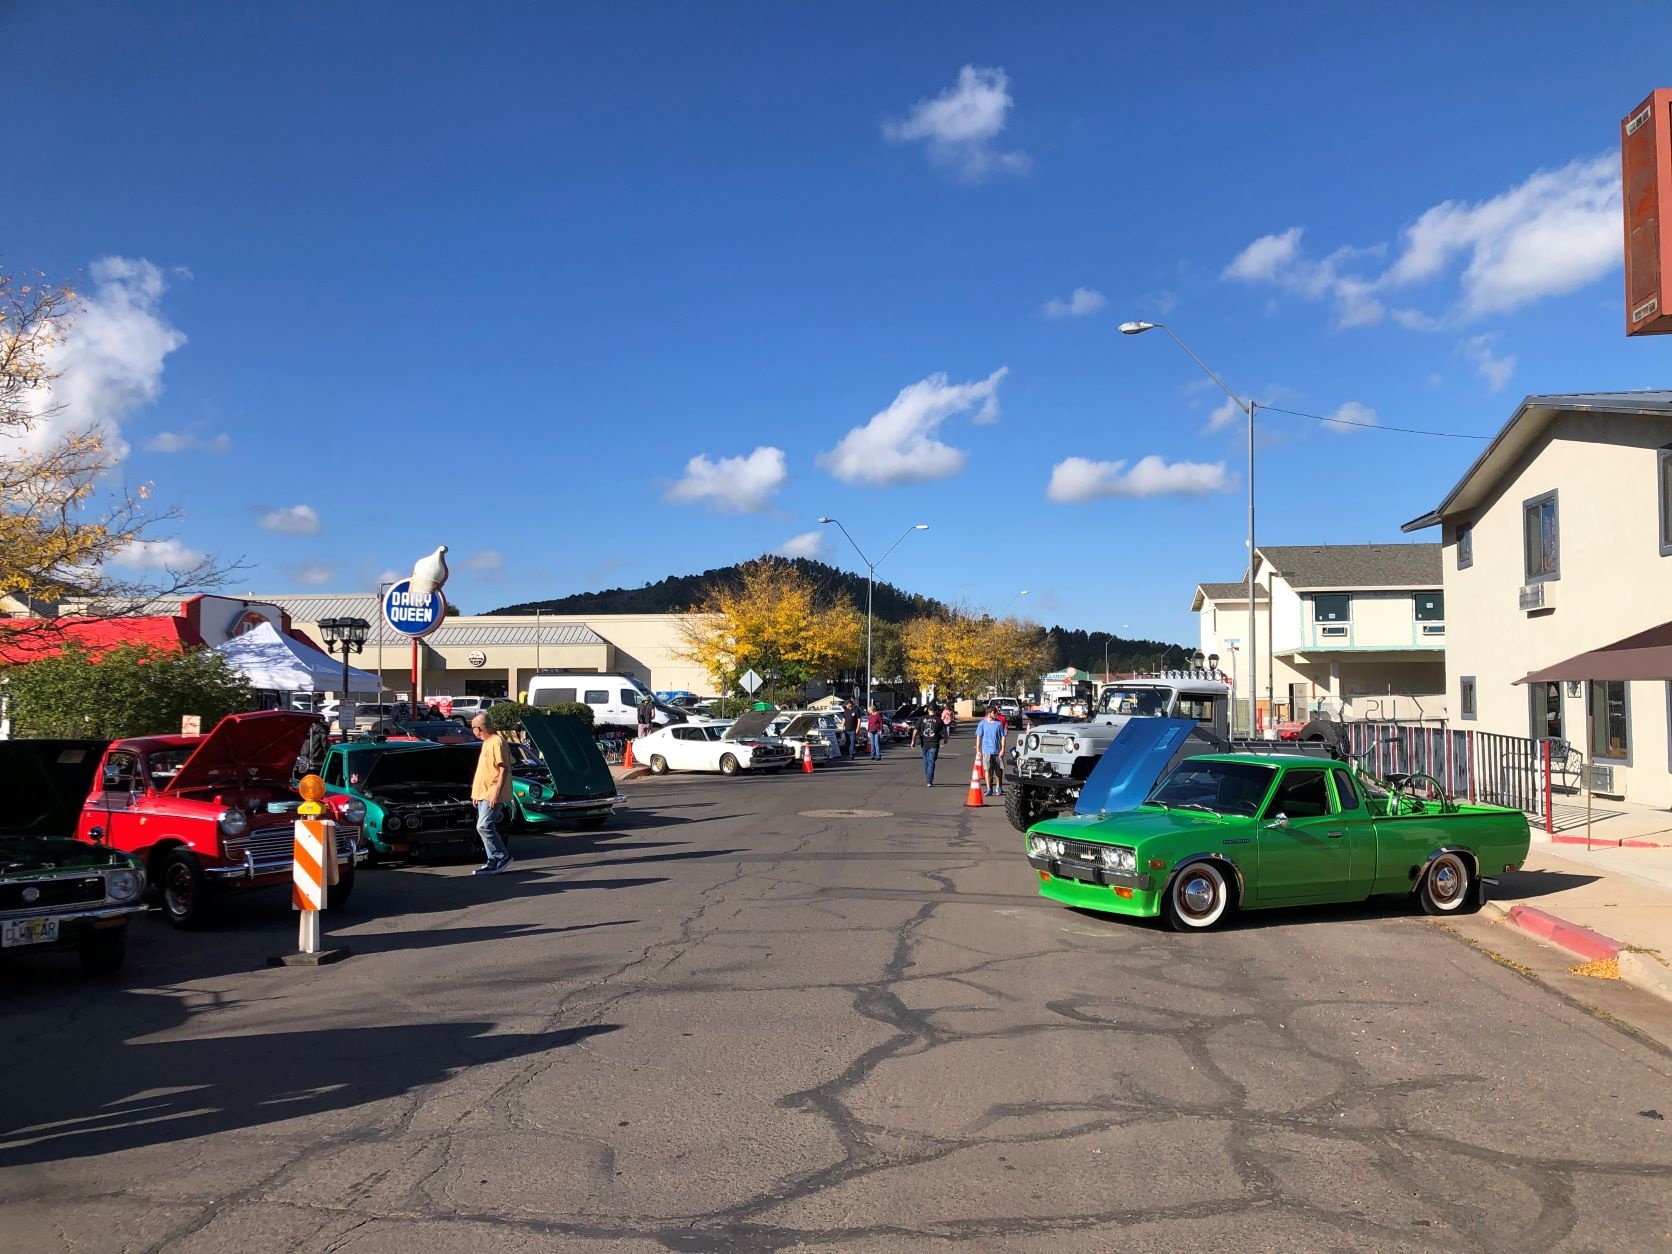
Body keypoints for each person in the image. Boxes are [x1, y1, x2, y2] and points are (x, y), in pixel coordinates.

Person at [469, 713, 514, 875]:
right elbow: (484, 771)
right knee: (483, 826)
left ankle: (502, 856)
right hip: (482, 793)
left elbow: (504, 768)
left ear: (479, 728)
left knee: (484, 825)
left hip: (492, 792)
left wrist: (496, 792)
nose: (472, 731)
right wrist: (476, 793)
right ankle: (493, 860)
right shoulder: (486, 743)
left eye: (472, 728)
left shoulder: (497, 742)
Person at [976, 706, 1007, 796]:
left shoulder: (999, 724)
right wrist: (978, 749)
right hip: (986, 751)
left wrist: (1002, 749)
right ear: (989, 713)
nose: (995, 714)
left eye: (996, 712)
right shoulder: (982, 723)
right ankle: (989, 788)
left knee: (998, 770)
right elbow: (979, 736)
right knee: (987, 770)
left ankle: (998, 787)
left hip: (997, 751)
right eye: (994, 713)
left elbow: (1003, 737)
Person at [919, 704, 946, 786]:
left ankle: (928, 779)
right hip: (934, 743)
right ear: (936, 710)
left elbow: (916, 729)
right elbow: (944, 731)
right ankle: (929, 780)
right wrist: (946, 739)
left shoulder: (922, 719)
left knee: (927, 761)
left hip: (924, 743)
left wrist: (913, 740)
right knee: (931, 761)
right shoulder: (939, 720)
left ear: (928, 710)